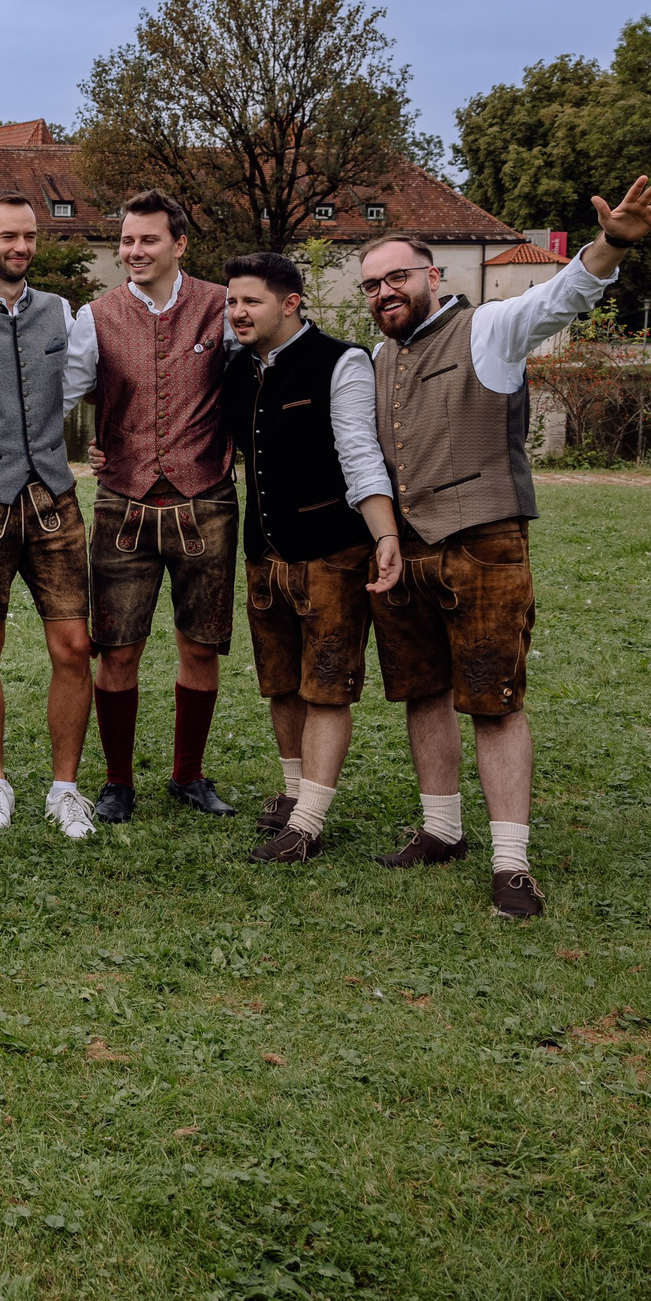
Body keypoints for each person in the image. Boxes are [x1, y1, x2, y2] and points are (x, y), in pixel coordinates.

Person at [359, 177, 651, 917]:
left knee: (493, 700)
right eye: (372, 285)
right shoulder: (378, 356)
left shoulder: (491, 327)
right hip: (408, 548)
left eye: (398, 277)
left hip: (484, 545)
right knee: (423, 691)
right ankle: (441, 830)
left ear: (434, 276)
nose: (384, 292)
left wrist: (612, 243)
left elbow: (563, 296)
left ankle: (511, 864)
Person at [217, 253, 403, 864]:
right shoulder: (238, 366)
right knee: (281, 682)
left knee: (326, 686)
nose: (237, 312)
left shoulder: (341, 361)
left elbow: (359, 452)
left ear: (291, 303)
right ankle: (295, 793)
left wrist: (384, 535)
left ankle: (309, 823)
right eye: (232, 301)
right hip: (264, 550)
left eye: (251, 301)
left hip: (332, 550)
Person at [65, 189, 239, 822]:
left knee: (201, 645)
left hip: (207, 499)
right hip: (124, 503)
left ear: (179, 244)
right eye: (127, 240)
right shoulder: (96, 316)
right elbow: (63, 395)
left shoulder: (222, 306)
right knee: (117, 648)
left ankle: (188, 775)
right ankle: (118, 782)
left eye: (148, 240)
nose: (134, 251)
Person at [0, 193, 99, 840]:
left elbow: (91, 382)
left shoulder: (61, 312)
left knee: (75, 645)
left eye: (29, 236)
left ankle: (65, 788)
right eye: (8, 236)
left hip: (54, 498)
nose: (21, 247)